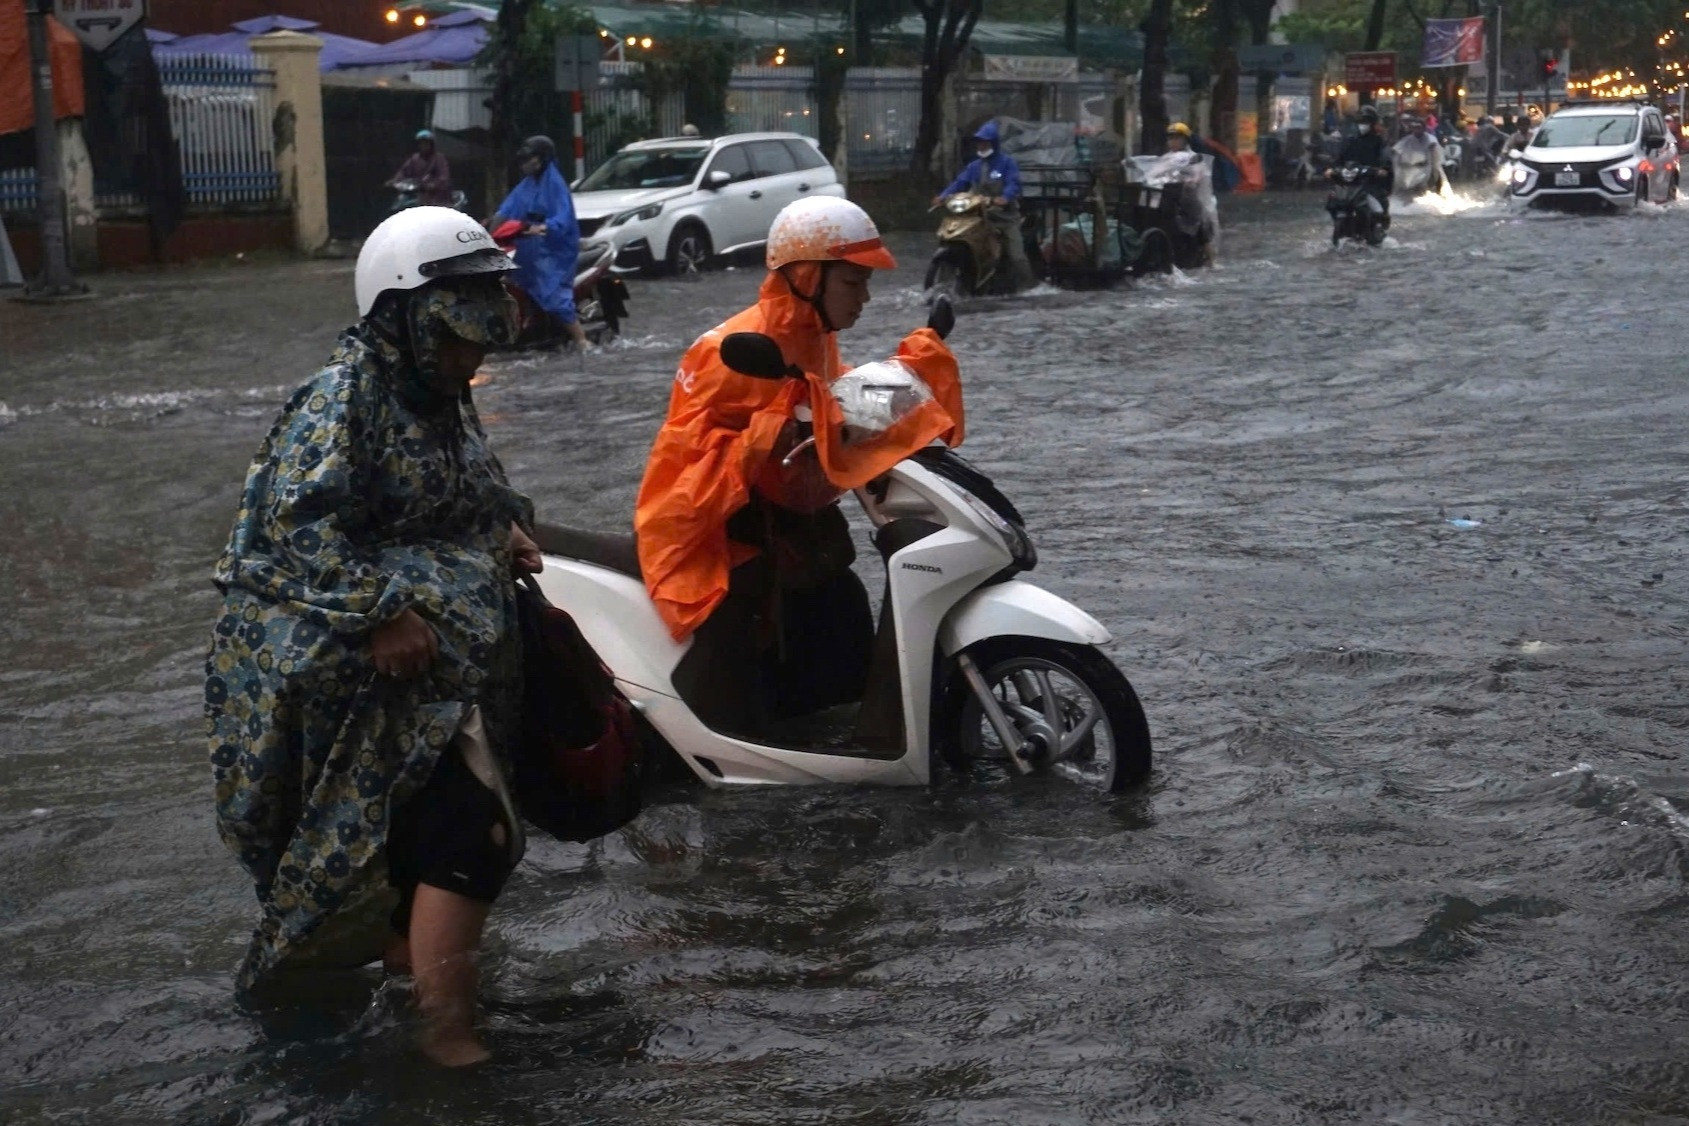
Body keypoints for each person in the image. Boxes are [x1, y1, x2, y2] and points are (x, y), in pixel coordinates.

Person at [206, 206, 541, 1067]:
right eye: (458, 339)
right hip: (364, 679)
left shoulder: (439, 395)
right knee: (473, 834)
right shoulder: (343, 399)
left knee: (427, 840)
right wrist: (380, 612)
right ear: (402, 319)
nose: (473, 357)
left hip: (438, 673)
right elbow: (294, 529)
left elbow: (463, 485)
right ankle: (448, 1039)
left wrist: (503, 528)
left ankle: (413, 988)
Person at [633, 197, 963, 739]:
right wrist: (767, 434)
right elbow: (684, 469)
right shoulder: (725, 353)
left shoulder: (817, 338)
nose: (866, 298)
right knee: (744, 620)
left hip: (797, 527)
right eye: (853, 284)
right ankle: (725, 744)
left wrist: (916, 371)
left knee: (846, 608)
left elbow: (834, 402)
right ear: (808, 278)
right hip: (725, 537)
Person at [490, 135, 587, 350]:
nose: (525, 164)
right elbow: (506, 210)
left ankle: (582, 341)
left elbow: (564, 217)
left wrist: (546, 227)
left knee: (552, 295)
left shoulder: (555, 183)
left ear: (542, 159)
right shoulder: (526, 184)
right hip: (528, 245)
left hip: (554, 249)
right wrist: (488, 229)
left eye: (530, 159)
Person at [934, 120, 1033, 290]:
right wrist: (943, 197)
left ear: (993, 143)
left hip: (1003, 217)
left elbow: (1013, 183)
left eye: (984, 142)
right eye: (979, 142)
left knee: (1016, 254)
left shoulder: (1007, 163)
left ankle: (1028, 287)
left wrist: (1005, 197)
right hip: (978, 215)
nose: (980, 146)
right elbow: (960, 183)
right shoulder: (974, 166)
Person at [1339, 104, 1393, 210]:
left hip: (1371, 181)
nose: (1362, 125)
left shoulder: (1379, 141)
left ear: (1372, 124)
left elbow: (1386, 159)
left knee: (1379, 209)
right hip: (1351, 181)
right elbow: (1340, 157)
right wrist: (1331, 168)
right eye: (1360, 122)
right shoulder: (1351, 140)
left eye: (1366, 122)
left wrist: (1382, 170)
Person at [388, 129, 454, 208]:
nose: (424, 145)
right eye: (421, 143)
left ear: (431, 144)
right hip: (419, 192)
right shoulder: (415, 158)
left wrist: (433, 185)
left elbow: (444, 177)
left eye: (426, 143)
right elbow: (403, 171)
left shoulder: (439, 158)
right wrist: (394, 181)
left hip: (437, 196)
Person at [1392, 116, 1446, 193]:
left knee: (1437, 173)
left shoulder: (1430, 139)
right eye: (1414, 128)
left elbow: (1435, 156)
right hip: (1411, 167)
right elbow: (1397, 148)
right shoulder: (1408, 139)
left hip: (1427, 166)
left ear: (1424, 128)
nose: (1416, 130)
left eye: (1418, 127)